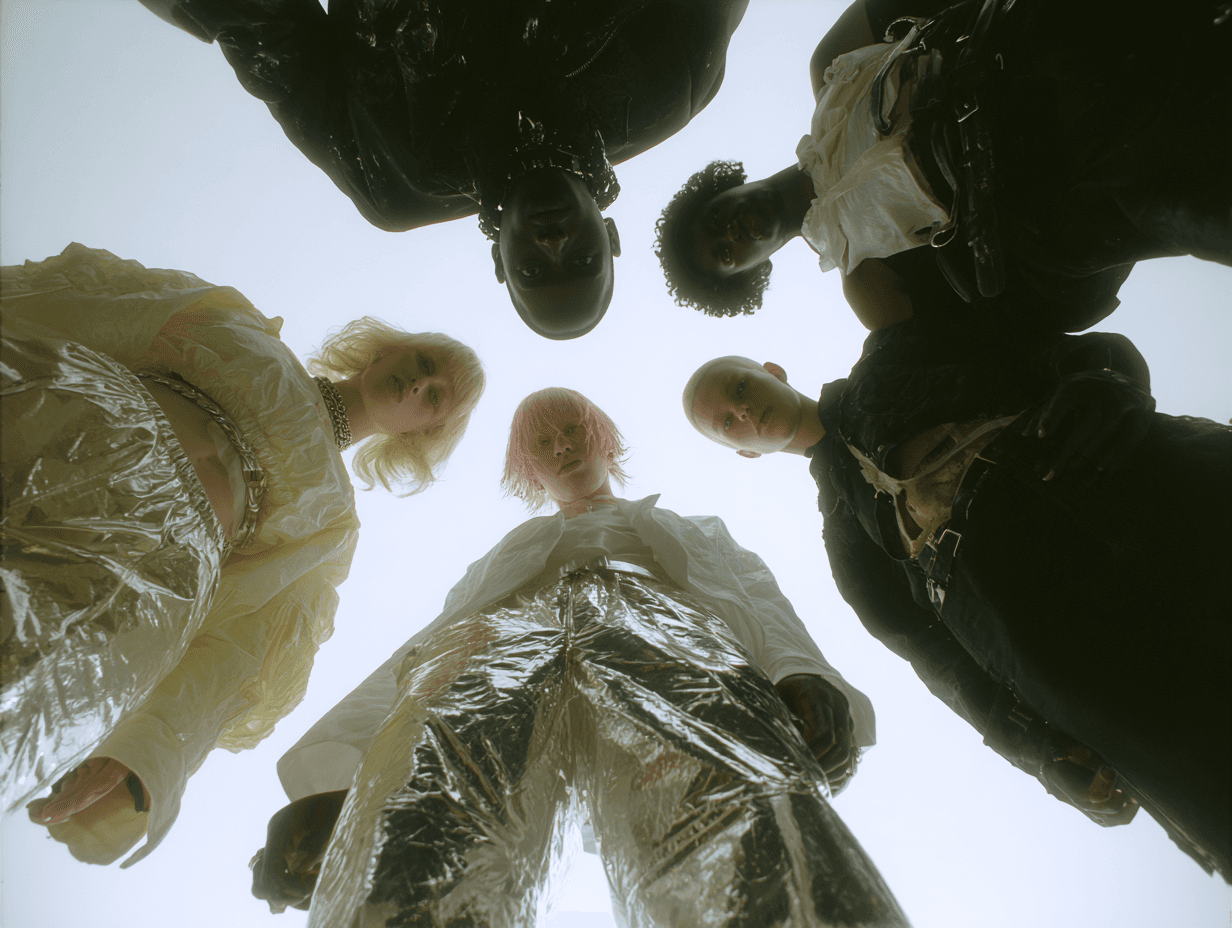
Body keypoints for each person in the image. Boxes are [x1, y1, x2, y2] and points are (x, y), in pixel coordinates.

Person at [245, 387, 910, 927]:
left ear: (604, 440)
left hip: (666, 637)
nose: (561, 446)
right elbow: (430, 647)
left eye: (572, 430)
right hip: (499, 650)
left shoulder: (687, 530)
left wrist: (800, 671)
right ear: (527, 468)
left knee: (733, 804)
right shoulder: (506, 559)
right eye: (542, 443)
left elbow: (756, 598)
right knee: (426, 823)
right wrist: (347, 774)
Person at [682, 321, 1232, 881]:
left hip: (1158, 494)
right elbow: (941, 663)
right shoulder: (848, 550)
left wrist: (1109, 384)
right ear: (744, 452)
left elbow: (1067, 351)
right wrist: (1038, 750)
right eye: (727, 423)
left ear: (772, 371)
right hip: (1084, 655)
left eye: (740, 388)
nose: (742, 411)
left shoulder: (895, 355)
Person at [1, 243, 485, 867]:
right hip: (48, 427)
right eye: (423, 362)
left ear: (420, 432)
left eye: (435, 397)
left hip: (123, 573)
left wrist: (142, 753)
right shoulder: (239, 329)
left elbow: (240, 647)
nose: (419, 382)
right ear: (385, 350)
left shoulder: (331, 526)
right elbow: (88, 304)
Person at [141, 0, 749, 340]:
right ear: (610, 236)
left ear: (500, 262)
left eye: (533, 269)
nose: (554, 242)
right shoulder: (670, 86)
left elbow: (265, 34)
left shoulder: (391, 185)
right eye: (584, 259)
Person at [655, 0, 1231, 331]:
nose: (732, 232)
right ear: (752, 271)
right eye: (726, 254)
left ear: (721, 189)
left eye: (714, 221)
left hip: (1045, 45)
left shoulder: (830, 67)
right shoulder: (870, 287)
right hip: (1078, 188)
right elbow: (1016, 326)